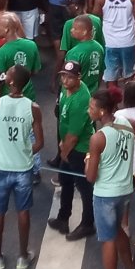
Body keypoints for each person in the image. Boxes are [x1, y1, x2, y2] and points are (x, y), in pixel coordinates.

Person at [0, 64, 41, 269]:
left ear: (9, 81)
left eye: (8, 74)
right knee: (23, 211)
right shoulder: (33, 108)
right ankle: (22, 256)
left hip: (1, 168)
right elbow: (39, 143)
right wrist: (24, 152)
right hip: (23, 167)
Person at [86, 89, 135, 269]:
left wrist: (87, 160)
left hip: (105, 194)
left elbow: (91, 177)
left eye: (91, 107)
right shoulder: (127, 123)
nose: (88, 110)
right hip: (125, 190)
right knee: (117, 229)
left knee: (107, 239)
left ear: (102, 112)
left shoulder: (98, 138)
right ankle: (129, 268)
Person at [49, 60, 96, 240]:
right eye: (63, 76)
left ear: (79, 77)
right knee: (65, 180)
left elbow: (74, 135)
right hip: (67, 145)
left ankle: (87, 223)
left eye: (70, 77)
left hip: (78, 148)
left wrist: (64, 152)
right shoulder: (66, 89)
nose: (65, 80)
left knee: (84, 187)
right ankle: (63, 217)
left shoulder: (81, 99)